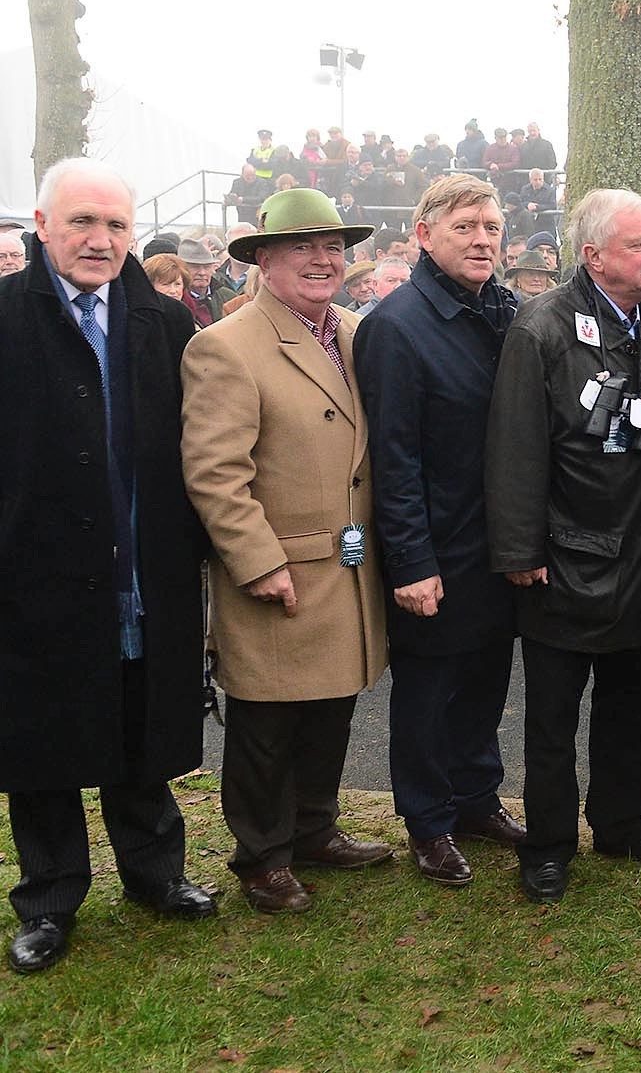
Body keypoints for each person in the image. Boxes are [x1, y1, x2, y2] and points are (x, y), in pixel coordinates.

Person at [0, 159, 216, 974]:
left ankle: (155, 874)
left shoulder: (163, 324)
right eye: (83, 222)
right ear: (44, 222)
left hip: (145, 564)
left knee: (143, 725)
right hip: (37, 574)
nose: (101, 240)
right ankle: (49, 898)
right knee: (43, 741)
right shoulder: (7, 318)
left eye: (116, 226)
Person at [180, 189, 393, 916]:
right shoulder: (224, 347)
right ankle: (262, 856)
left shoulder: (360, 333)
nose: (322, 258)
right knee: (267, 723)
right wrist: (258, 561)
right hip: (280, 570)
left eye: (332, 246)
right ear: (264, 260)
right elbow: (215, 472)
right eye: (302, 246)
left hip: (349, 569)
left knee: (331, 706)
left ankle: (313, 830)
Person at [486, 189, 641, 902]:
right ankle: (548, 846)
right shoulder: (540, 328)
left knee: (636, 705)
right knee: (552, 716)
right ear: (592, 254)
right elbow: (515, 447)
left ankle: (623, 823)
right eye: (638, 243)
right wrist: (519, 551)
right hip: (565, 556)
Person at [356, 176, 524, 890]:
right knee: (429, 691)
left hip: (498, 542)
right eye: (465, 226)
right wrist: (411, 562)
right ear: (423, 235)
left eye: (491, 226)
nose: (482, 237)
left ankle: (476, 800)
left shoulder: (508, 311)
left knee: (486, 680)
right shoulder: (397, 326)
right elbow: (392, 458)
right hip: (434, 546)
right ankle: (428, 821)